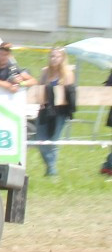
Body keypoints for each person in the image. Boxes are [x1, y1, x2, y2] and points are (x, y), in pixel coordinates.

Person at [33, 47, 77, 177]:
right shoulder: (45, 72)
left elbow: (69, 94)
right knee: (40, 139)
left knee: (53, 140)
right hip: (45, 109)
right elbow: (40, 89)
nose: (53, 59)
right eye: (52, 56)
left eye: (56, 56)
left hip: (60, 112)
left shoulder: (68, 74)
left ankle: (51, 171)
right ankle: (51, 167)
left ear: (62, 58)